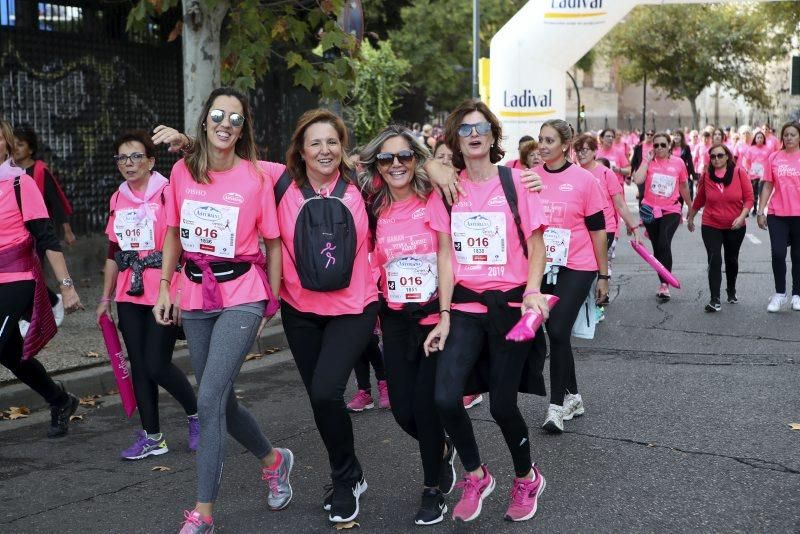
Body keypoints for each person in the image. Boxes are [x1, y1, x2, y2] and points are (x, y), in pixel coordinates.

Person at [152, 88, 291, 533]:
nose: (225, 124)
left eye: (235, 118)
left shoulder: (255, 176)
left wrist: (270, 297)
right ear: (205, 120)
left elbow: (272, 241)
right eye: (218, 115)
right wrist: (164, 286)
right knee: (221, 400)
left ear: (243, 126)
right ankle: (274, 460)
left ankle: (203, 514)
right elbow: (173, 233)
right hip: (194, 294)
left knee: (207, 398)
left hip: (243, 295)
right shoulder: (181, 170)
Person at [424, 99, 550, 523]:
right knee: (444, 396)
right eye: (464, 129)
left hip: (511, 306)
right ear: (455, 141)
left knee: (501, 406)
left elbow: (537, 245)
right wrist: (443, 314)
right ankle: (476, 474)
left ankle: (526, 476)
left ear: (494, 136)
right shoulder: (447, 189)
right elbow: (444, 256)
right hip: (464, 306)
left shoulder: (517, 183)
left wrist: (533, 290)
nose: (474, 135)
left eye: (481, 128)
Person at [358, 124, 458, 525]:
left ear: (416, 159)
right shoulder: (373, 206)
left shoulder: (434, 198)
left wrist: (448, 313)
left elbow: (446, 257)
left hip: (433, 317)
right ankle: (445, 451)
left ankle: (432, 489)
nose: (396, 164)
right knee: (401, 412)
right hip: (395, 319)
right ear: (377, 165)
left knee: (425, 406)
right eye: (386, 158)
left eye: (404, 156)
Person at [97, 130, 199, 460]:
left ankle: (197, 415)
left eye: (136, 156)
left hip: (164, 290)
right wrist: (105, 297)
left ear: (151, 161)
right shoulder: (117, 198)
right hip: (129, 292)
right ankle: (153, 436)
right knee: (139, 366)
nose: (129, 163)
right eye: (122, 158)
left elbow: (186, 244)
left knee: (156, 363)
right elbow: (114, 251)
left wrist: (182, 290)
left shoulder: (169, 192)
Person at [0, 118, 84, 439]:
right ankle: (60, 399)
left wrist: (66, 286)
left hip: (19, 277)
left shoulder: (22, 184)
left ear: (7, 143)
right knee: (10, 355)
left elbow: (47, 239)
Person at [535, 123, 609, 433]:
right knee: (558, 334)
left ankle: (555, 409)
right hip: (542, 266)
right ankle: (573, 396)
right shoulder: (531, 178)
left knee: (558, 326)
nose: (542, 145)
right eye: (540, 139)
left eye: (549, 140)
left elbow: (598, 230)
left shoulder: (584, 180)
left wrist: (603, 275)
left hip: (578, 264)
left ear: (566, 145)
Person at [433, 138, 482, 410]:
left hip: (470, 290)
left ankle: (470, 387)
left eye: (449, 159)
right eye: (439, 158)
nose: (444, 164)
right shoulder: (429, 189)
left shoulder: (473, 187)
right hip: (433, 289)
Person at [13, 125, 75, 330]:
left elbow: (55, 201)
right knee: (24, 275)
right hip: (16, 232)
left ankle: (37, 312)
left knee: (32, 274)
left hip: (38, 232)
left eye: (20, 145)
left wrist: (66, 229)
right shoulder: (8, 170)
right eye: (13, 144)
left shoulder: (39, 170)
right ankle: (48, 304)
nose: (16, 148)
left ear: (30, 149)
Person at [687, 144, 753, 311]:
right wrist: (691, 216)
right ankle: (714, 299)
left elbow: (749, 199)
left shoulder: (739, 172)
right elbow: (700, 198)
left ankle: (731, 290)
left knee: (731, 259)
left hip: (735, 225)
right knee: (714, 258)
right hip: (711, 224)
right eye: (713, 156)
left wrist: (741, 217)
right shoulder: (706, 175)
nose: (716, 159)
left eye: (720, 155)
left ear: (727, 156)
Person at [632, 132, 692, 301]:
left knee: (664, 241)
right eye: (656, 145)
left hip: (671, 209)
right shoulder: (649, 163)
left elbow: (684, 186)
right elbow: (638, 179)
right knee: (658, 247)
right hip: (650, 210)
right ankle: (663, 280)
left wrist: (690, 206)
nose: (659, 148)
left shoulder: (678, 163)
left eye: (662, 145)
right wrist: (646, 160)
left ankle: (664, 284)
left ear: (669, 146)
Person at [756, 121, 800, 312]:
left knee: (798, 256)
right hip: (777, 213)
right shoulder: (774, 157)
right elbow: (767, 185)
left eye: (793, 134)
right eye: (786, 135)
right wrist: (760, 210)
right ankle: (780, 294)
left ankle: (797, 294)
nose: (789, 138)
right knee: (778, 253)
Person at [742, 130, 771, 216]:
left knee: (761, 192)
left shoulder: (768, 149)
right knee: (753, 192)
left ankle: (758, 209)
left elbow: (771, 161)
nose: (760, 139)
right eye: (758, 137)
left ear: (763, 139)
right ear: (755, 139)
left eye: (761, 137)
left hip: (763, 175)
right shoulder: (751, 149)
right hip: (753, 174)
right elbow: (745, 161)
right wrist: (748, 169)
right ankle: (752, 208)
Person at [630, 130, 655, 210]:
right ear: (644, 135)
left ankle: (651, 212)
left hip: (653, 173)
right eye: (648, 134)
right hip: (641, 172)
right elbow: (633, 161)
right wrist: (630, 175)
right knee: (642, 193)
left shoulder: (656, 147)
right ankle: (642, 214)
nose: (649, 136)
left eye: (651, 134)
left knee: (651, 194)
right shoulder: (639, 147)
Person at [671, 130, 697, 200]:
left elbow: (690, 161)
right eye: (675, 135)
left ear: (682, 137)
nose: (676, 137)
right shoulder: (669, 147)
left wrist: (693, 174)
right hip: (671, 173)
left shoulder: (686, 147)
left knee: (682, 193)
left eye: (678, 135)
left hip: (682, 173)